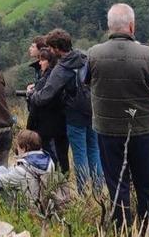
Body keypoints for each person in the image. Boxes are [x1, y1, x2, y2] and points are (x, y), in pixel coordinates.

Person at [88, 4, 149, 237]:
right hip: (142, 129)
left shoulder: (94, 53)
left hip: (107, 130)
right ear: (132, 26)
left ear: (109, 27)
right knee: (146, 181)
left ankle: (121, 228)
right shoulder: (147, 54)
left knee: (117, 182)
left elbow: (84, 80)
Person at [29, 29, 101, 193]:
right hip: (93, 110)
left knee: (79, 154)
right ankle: (98, 189)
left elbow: (45, 96)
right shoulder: (85, 58)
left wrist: (32, 94)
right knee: (94, 150)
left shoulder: (62, 68)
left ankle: (84, 192)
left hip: (74, 115)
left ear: (55, 48)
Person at [26, 48, 70, 174]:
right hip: (60, 125)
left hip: (48, 127)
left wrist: (31, 96)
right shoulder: (59, 76)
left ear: (50, 62)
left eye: (42, 60)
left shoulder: (48, 80)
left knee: (52, 156)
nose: (39, 63)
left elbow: (38, 104)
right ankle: (63, 179)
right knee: (62, 156)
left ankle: (56, 182)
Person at [0, 130, 55, 205]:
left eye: (18, 146)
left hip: (27, 208)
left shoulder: (22, 170)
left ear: (24, 148)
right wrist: (1, 169)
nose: (17, 149)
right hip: (44, 206)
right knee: (1, 169)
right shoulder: (49, 162)